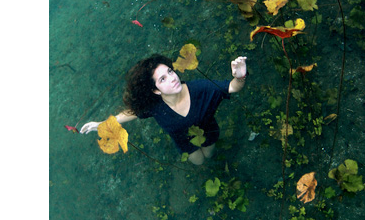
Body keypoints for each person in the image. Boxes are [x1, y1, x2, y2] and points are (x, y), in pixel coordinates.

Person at [80, 54, 248, 165]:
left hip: (209, 132)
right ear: (156, 90)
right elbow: (132, 113)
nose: (173, 77)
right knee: (199, 162)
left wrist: (240, 76)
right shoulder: (155, 106)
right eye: (163, 79)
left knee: (210, 155)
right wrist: (103, 123)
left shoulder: (199, 89)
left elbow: (232, 87)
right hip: (184, 142)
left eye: (170, 71)